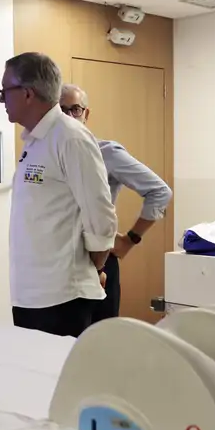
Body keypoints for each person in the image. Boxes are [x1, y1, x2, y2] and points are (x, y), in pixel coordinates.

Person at [2, 53, 117, 337]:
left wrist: (93, 267)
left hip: (63, 298)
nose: (2, 99)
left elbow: (101, 216)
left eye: (5, 91)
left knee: (60, 367)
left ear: (27, 93)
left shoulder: (70, 137)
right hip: (31, 295)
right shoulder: (35, 139)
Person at [59, 84, 173, 322]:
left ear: (86, 114)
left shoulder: (106, 152)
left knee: (99, 337)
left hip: (98, 261)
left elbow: (160, 191)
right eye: (61, 110)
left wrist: (130, 240)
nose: (69, 116)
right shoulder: (49, 153)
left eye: (75, 109)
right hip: (61, 263)